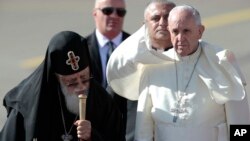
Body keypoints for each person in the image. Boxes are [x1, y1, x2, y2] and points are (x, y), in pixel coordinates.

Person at [133, 5, 250, 141]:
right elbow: (143, 128)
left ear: (200, 31)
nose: (180, 38)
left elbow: (240, 121)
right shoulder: (153, 66)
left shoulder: (221, 63)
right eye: (175, 32)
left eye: (186, 31)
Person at [0, 31, 124, 141]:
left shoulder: (103, 103)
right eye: (72, 82)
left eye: (85, 78)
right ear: (56, 79)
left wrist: (92, 136)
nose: (81, 87)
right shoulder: (26, 104)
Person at [106, 0, 176, 141]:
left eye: (168, 18)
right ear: (144, 25)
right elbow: (106, 110)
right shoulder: (128, 62)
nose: (162, 22)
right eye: (156, 18)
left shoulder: (192, 60)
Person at [85, 0, 131, 140]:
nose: (114, 16)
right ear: (95, 13)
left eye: (120, 12)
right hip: (91, 127)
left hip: (127, 128)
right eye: (107, 11)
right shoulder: (82, 48)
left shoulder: (136, 48)